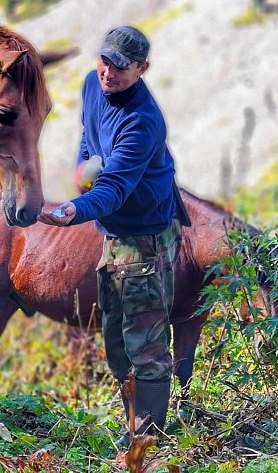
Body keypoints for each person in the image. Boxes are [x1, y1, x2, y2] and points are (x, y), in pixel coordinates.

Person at [39, 25, 189, 444]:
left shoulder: (142, 121)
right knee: (116, 335)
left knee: (145, 340)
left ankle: (149, 435)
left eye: (120, 67)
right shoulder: (92, 83)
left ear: (142, 69)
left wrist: (73, 209)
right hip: (115, 233)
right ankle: (132, 423)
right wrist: (80, 170)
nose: (108, 72)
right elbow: (89, 135)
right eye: (104, 60)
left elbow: (115, 189)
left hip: (146, 236)